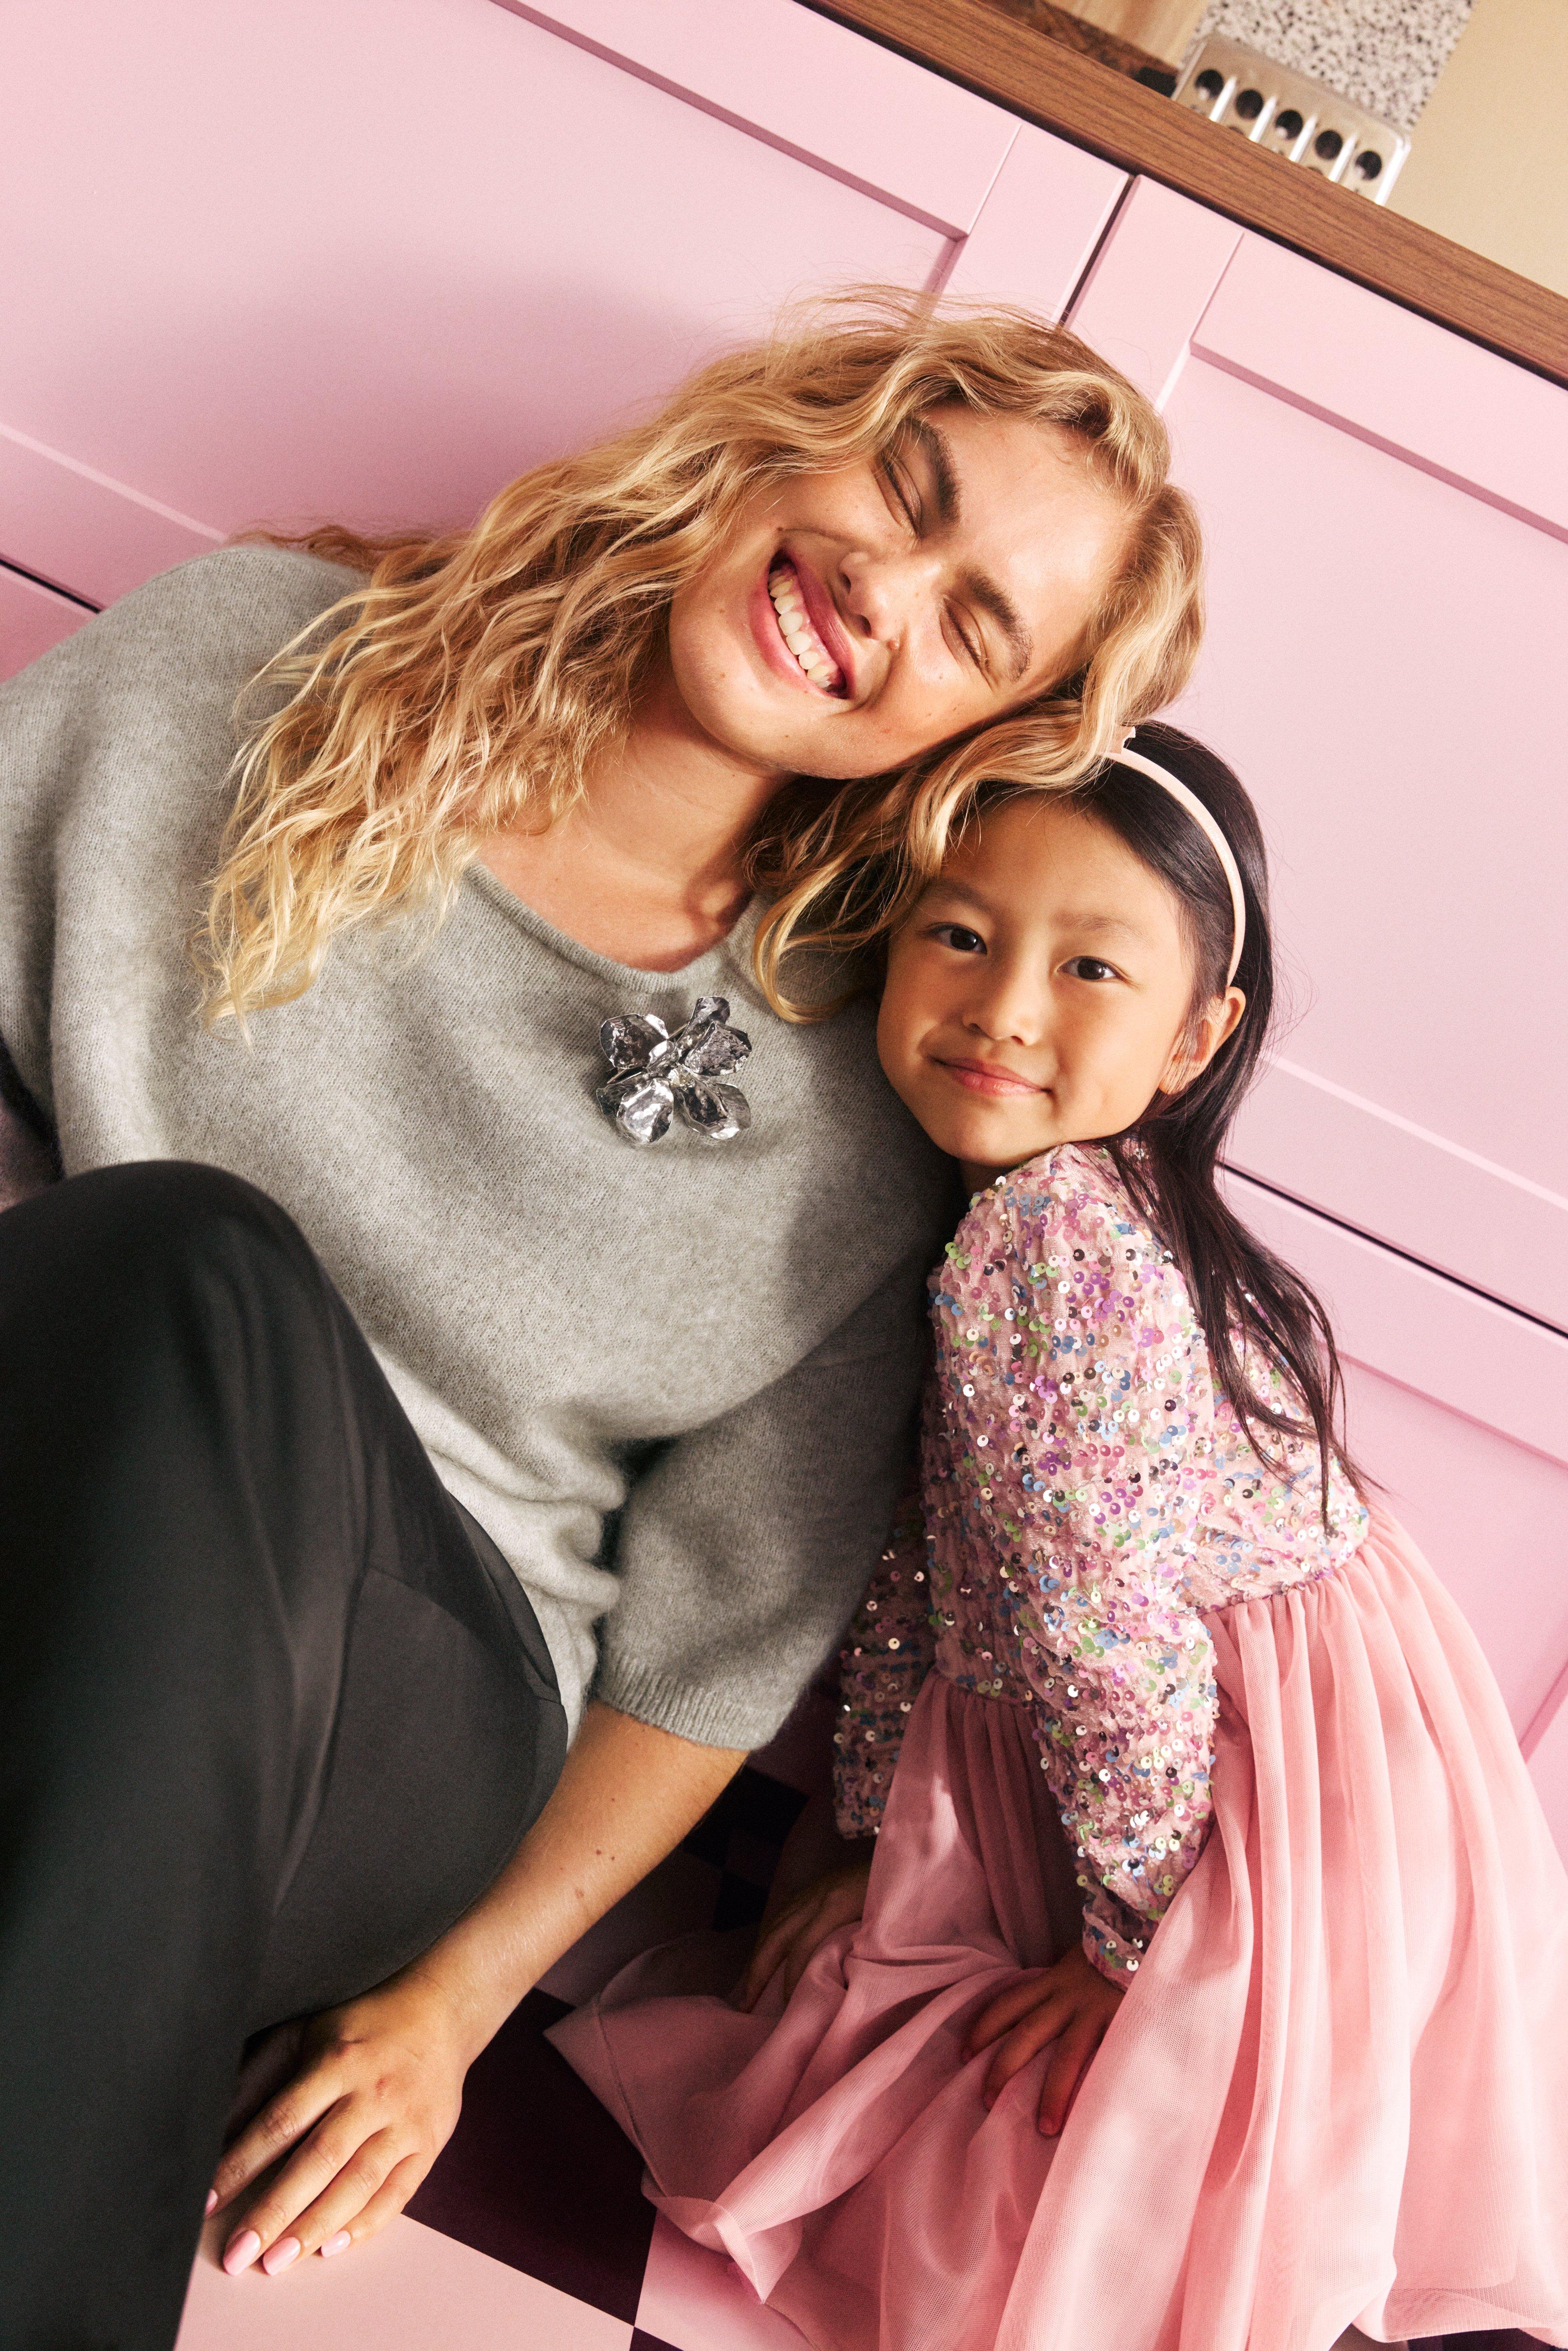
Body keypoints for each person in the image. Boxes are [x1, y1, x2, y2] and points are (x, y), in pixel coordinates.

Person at [0, 293, 1204, 2351]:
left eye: (976, 621)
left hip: (381, 1718)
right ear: (782, 442)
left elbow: (717, 1638)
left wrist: (454, 2003)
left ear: (977, 731)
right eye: (899, 498)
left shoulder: (868, 1105)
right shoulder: (247, 658)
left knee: (199, 1259)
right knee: (151, 1281)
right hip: (41, 1526)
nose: (881, 589)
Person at [552, 724, 1568, 2351]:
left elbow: (1108, 1652)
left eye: (1091, 968)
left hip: (1208, 1748)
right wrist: (867, 1818)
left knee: (1079, 2123)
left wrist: (1137, 1955)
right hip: (1302, 1708)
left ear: (1194, 1037)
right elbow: (936, 1548)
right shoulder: (1056, 1200)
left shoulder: (1048, 1251)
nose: (1005, 1006)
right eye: (958, 934)